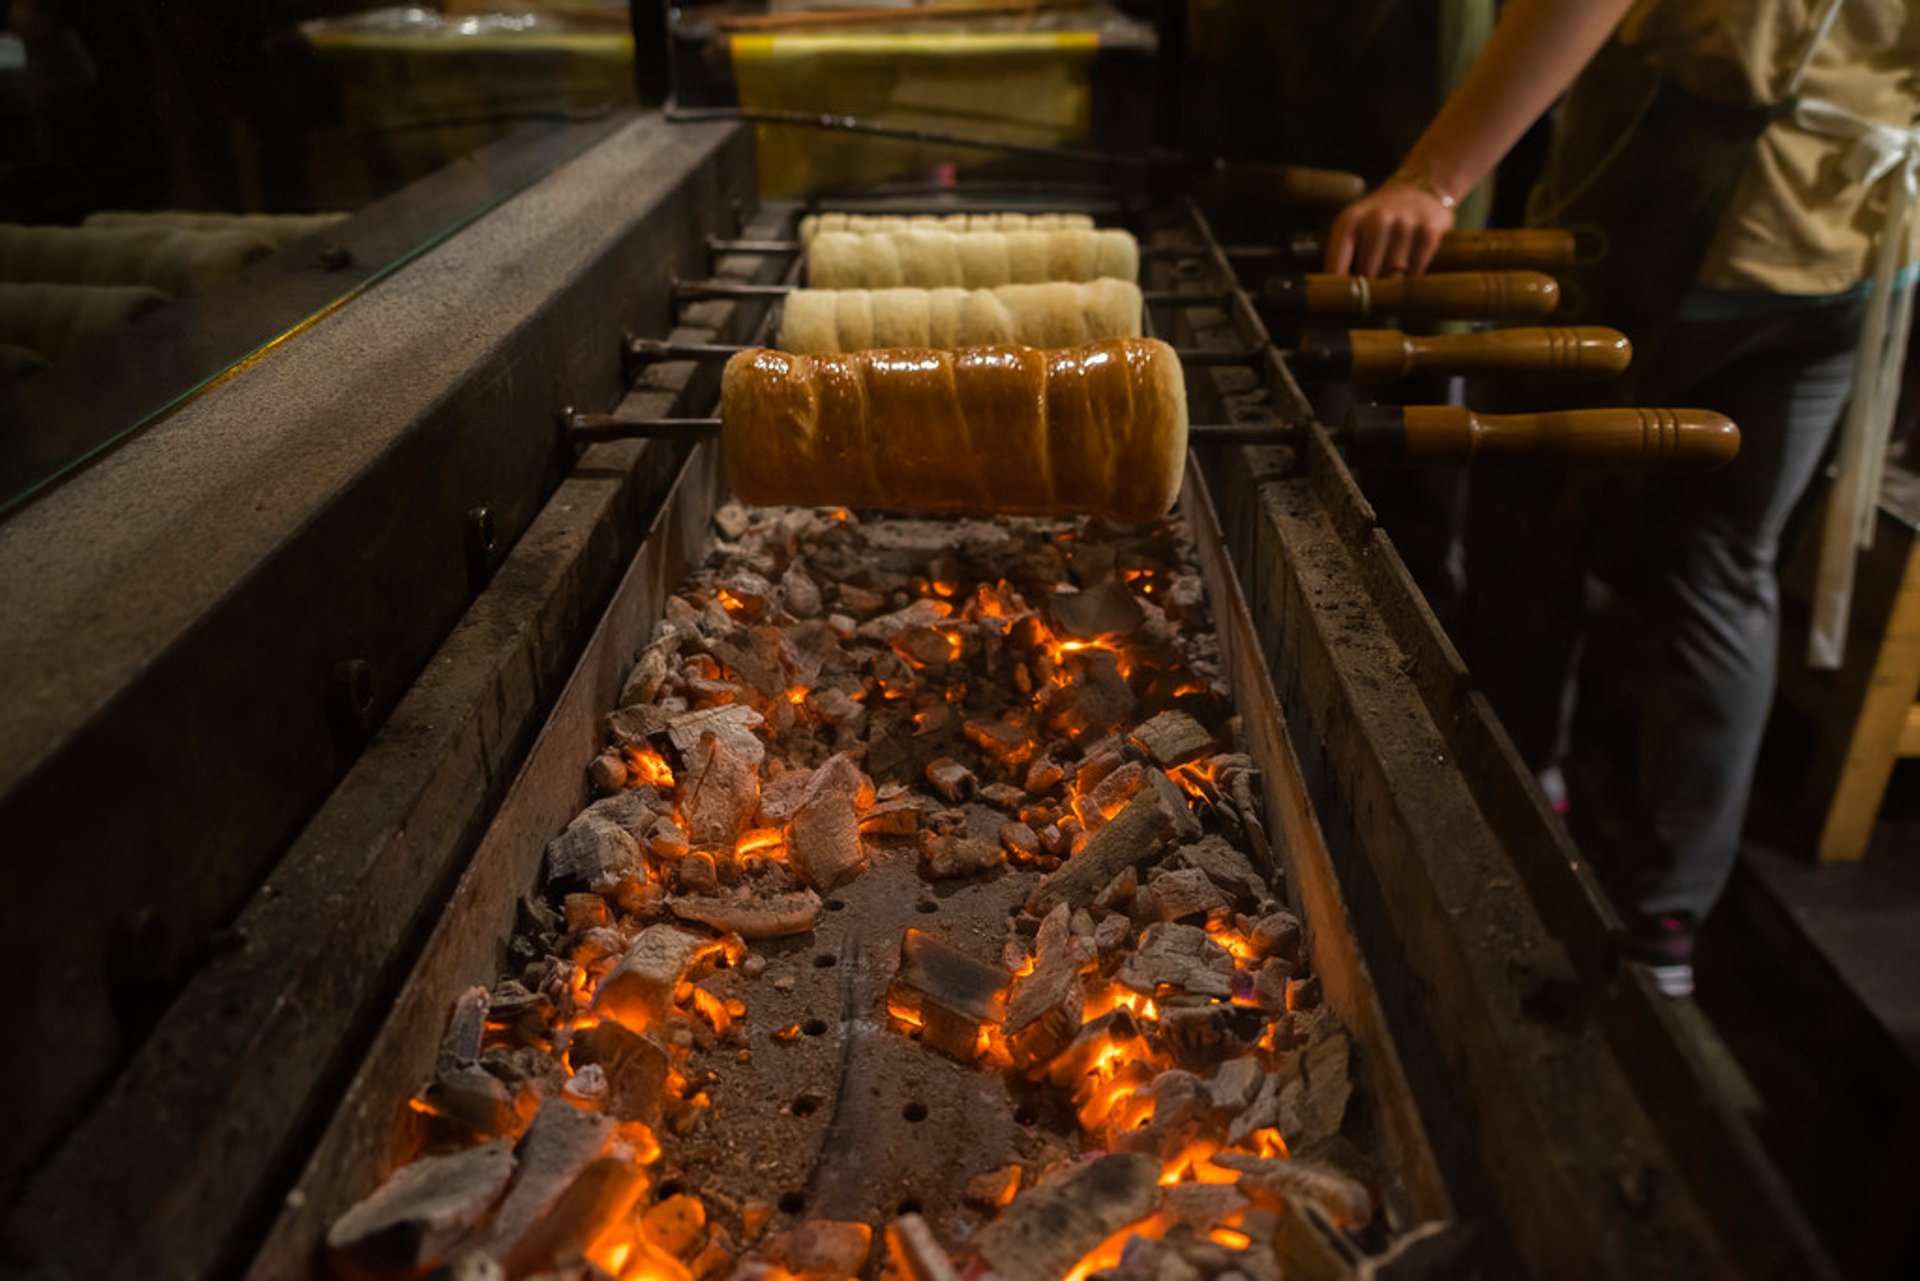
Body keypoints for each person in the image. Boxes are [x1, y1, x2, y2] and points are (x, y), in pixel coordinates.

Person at [1322, 0, 1919, 997]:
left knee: (1527, 510)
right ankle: (1663, 924)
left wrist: (1434, 177)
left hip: (1681, 216)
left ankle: (1505, 817)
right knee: (1728, 569)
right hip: (1853, 257)